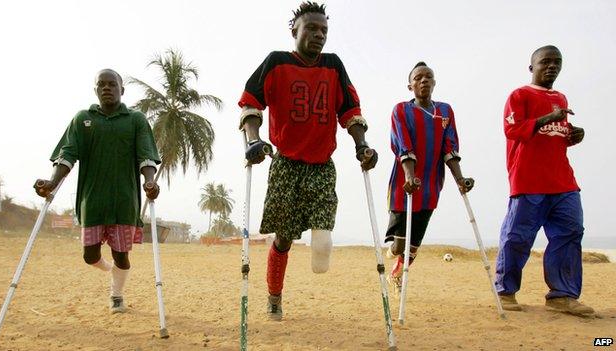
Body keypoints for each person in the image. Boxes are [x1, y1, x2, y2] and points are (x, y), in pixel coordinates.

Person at [238, 1, 377, 321]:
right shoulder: (276, 62)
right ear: (294, 30)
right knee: (284, 238)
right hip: (286, 162)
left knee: (323, 234)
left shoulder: (334, 65)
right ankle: (274, 296)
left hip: (321, 163)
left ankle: (321, 245)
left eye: (324, 30)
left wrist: (362, 146)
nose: (319, 35)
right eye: (311, 28)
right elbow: (250, 103)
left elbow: (351, 111)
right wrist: (253, 140)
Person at [34, 69, 161, 313]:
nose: (106, 88)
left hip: (124, 201)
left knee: (121, 255)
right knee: (89, 256)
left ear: (121, 90)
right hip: (92, 199)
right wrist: (51, 182)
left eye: (112, 84)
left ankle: (117, 295)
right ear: (95, 90)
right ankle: (110, 270)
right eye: (101, 84)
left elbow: (146, 156)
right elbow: (67, 155)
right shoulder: (83, 119)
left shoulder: (135, 120)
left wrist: (150, 182)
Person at [494, 45, 592, 317]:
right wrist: (550, 117)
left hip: (563, 181)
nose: (551, 67)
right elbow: (512, 129)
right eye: (545, 62)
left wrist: (574, 133)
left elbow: (555, 133)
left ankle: (563, 295)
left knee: (570, 232)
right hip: (528, 180)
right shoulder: (519, 95)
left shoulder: (560, 97)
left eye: (557, 62)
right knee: (517, 237)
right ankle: (505, 290)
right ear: (532, 67)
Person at [385, 62, 474, 294]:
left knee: (414, 244)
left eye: (428, 77)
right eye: (418, 78)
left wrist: (460, 179)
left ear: (434, 82)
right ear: (410, 85)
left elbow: (449, 146)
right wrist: (410, 176)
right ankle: (394, 251)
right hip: (404, 184)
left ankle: (397, 273)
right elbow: (403, 144)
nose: (423, 80)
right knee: (400, 244)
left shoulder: (445, 111)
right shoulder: (401, 110)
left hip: (430, 185)